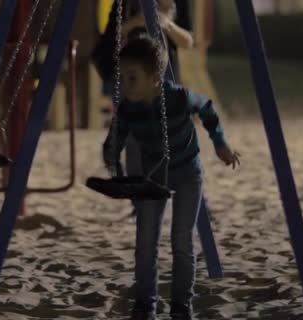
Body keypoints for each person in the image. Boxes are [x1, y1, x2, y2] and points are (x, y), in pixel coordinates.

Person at [102, 36, 240, 320]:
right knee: (145, 242)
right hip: (153, 176)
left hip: (188, 171)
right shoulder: (128, 108)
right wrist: (113, 168)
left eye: (132, 78)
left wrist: (220, 142)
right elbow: (113, 142)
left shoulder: (178, 97)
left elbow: (207, 108)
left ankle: (181, 307)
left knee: (181, 241)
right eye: (122, 79)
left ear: (154, 78)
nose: (125, 86)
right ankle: (145, 305)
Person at [92, 0, 194, 219]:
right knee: (134, 139)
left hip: (164, 76)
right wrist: (136, 22)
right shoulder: (125, 3)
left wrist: (166, 25)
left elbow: (188, 41)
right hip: (132, 77)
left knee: (168, 138)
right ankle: (140, 204)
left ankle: (169, 196)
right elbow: (112, 35)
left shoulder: (179, 3)